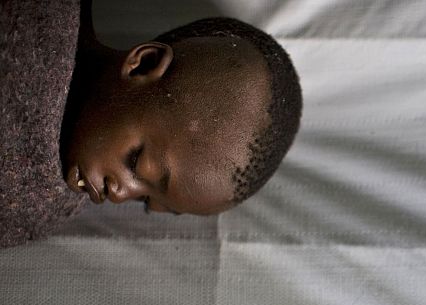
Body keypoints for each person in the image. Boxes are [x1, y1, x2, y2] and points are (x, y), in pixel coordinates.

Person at [1, 0, 302, 247]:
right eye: (135, 161)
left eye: (144, 199)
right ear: (143, 64)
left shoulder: (49, 206)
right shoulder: (37, 21)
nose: (119, 195)